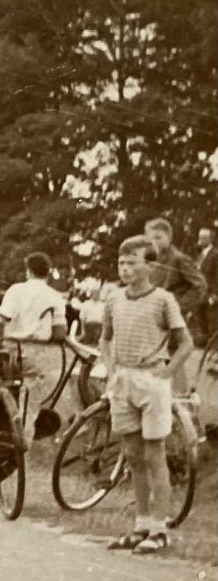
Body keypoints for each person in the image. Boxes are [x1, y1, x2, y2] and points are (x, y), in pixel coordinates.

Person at [102, 236, 192, 555]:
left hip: (151, 380)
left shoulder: (163, 300)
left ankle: (159, 528)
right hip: (123, 379)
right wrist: (111, 369)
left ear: (150, 266)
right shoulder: (113, 298)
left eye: (132, 263)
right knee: (132, 455)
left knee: (154, 454)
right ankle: (140, 525)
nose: (125, 269)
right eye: (121, 263)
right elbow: (105, 338)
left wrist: (164, 375)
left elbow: (185, 343)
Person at [0, 251, 69, 410]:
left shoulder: (15, 290)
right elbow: (60, 333)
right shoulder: (55, 296)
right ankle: (24, 426)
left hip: (12, 350)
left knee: (2, 388)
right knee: (31, 401)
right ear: (48, 273)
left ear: (28, 271)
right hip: (38, 354)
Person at [144, 218, 206, 388]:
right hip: (153, 316)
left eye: (158, 237)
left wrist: (178, 305)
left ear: (169, 237)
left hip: (171, 317)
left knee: (172, 354)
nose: (154, 242)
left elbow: (200, 286)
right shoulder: (152, 259)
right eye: (150, 238)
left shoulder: (178, 259)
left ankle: (182, 402)